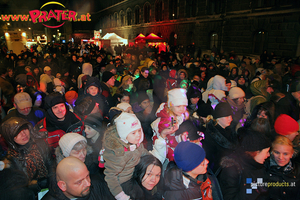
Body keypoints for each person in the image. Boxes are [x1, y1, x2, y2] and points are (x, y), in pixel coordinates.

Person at [103, 112, 164, 200]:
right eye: (133, 133)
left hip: (132, 176)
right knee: (138, 195)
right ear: (124, 135)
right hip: (122, 183)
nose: (138, 135)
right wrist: (121, 196)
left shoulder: (135, 143)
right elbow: (110, 177)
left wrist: (154, 163)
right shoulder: (119, 154)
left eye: (139, 130)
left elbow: (144, 152)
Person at [0, 117, 54, 195]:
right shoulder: (10, 160)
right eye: (18, 133)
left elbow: (51, 164)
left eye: (25, 129)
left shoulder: (40, 144)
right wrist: (38, 184)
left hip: (49, 188)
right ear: (10, 137)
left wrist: (51, 180)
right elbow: (18, 186)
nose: (24, 134)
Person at [219, 129, 271, 200]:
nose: (268, 155)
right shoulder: (232, 169)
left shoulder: (260, 165)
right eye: (267, 152)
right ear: (256, 152)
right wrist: (253, 189)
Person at [42, 157, 114, 200]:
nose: (88, 183)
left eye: (87, 176)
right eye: (79, 182)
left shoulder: (98, 185)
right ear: (63, 185)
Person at [202, 102, 237, 174]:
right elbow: (210, 159)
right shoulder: (211, 135)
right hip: (220, 172)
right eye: (227, 116)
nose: (230, 119)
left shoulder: (230, 130)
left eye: (231, 116)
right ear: (218, 118)